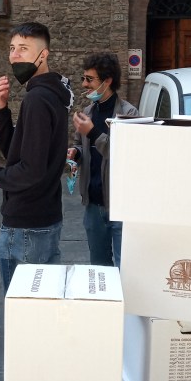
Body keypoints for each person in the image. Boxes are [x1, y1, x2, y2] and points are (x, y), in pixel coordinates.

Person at [0, 21, 73, 381]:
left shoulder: (38, 99)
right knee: (40, 320)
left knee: (24, 327)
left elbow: (25, 170)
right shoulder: (48, 95)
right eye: (12, 47)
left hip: (26, 227)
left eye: (23, 48)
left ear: (43, 54)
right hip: (44, 221)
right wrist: (1, 109)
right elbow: (17, 150)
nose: (15, 55)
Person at [67, 51, 138, 267]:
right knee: (99, 269)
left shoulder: (129, 114)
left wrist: (93, 132)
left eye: (89, 79)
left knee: (125, 269)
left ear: (107, 81)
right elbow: (80, 144)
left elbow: (125, 155)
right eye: (83, 78)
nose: (84, 84)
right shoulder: (88, 111)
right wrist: (75, 152)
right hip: (93, 205)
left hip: (121, 207)